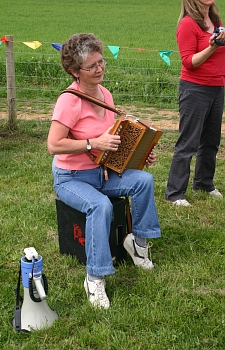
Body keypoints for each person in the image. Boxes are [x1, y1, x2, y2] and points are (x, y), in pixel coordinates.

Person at [47, 33, 161, 309]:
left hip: (103, 172)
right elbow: (53, 144)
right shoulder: (69, 101)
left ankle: (138, 245)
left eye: (101, 62)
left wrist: (140, 154)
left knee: (143, 181)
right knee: (100, 206)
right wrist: (91, 143)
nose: (99, 69)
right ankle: (94, 277)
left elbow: (111, 142)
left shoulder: (105, 94)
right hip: (71, 178)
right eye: (92, 66)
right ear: (75, 72)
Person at [165, 0, 225, 206]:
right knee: (188, 142)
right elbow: (189, 63)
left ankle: (203, 183)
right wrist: (213, 46)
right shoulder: (188, 24)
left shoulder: (216, 20)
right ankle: (175, 193)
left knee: (211, 141)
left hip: (217, 87)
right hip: (195, 89)